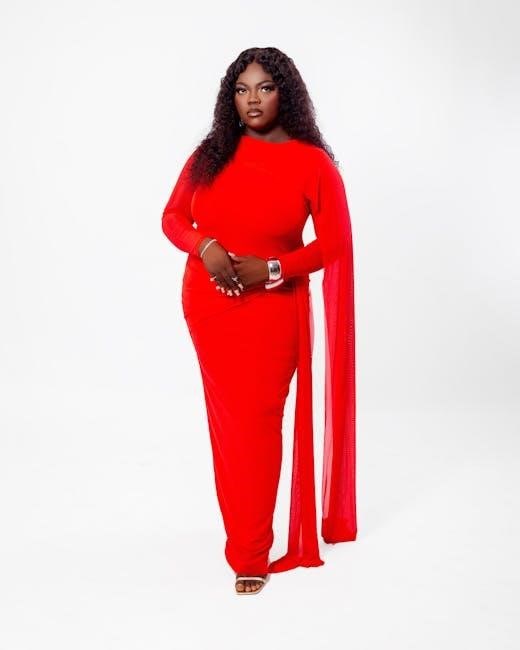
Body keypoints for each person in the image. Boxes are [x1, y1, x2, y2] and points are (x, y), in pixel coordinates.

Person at [161, 47, 356, 596]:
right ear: (230, 97)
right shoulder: (210, 154)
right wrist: (206, 246)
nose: (252, 100)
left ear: (285, 94)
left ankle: (249, 550)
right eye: (242, 89)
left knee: (258, 425)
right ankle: (244, 543)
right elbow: (172, 218)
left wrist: (272, 268)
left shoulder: (312, 163)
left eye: (265, 88)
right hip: (209, 309)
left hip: (273, 312)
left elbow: (334, 243)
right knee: (230, 427)